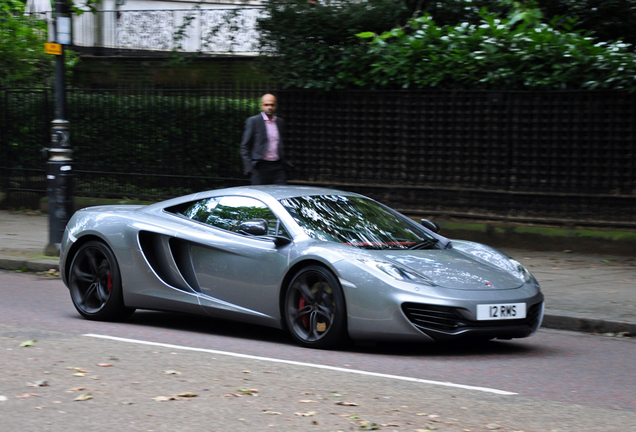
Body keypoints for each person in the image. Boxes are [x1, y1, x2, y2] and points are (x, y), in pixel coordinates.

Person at [240, 94, 292, 185]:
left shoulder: (280, 122)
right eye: (266, 105)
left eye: (272, 105)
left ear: (276, 106)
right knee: (260, 194)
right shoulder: (254, 121)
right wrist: (250, 167)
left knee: (280, 193)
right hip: (260, 167)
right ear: (262, 106)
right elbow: (244, 146)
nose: (269, 107)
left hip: (278, 166)